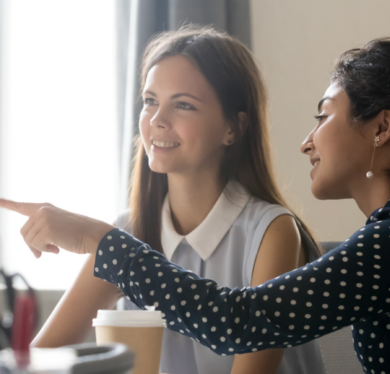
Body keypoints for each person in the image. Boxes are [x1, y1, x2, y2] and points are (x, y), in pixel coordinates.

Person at [1, 36, 390, 374]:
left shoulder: (277, 232)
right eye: (149, 101)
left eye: (323, 116)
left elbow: (240, 321)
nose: (156, 120)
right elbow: (34, 361)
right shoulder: (131, 230)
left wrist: (99, 239)